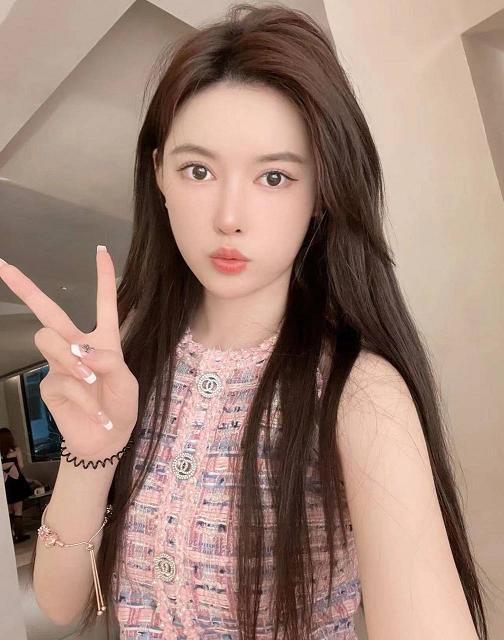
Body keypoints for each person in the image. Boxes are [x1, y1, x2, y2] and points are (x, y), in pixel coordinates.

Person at [0, 3, 490, 639]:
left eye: (274, 176)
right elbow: (62, 605)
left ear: (322, 193)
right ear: (159, 175)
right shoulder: (133, 361)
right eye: (198, 170)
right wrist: (91, 455)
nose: (229, 216)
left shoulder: (357, 394)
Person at [1, 427, 35, 543]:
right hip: (17, 482)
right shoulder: (16, 450)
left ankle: (9, 536)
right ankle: (19, 535)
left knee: (9, 510)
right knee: (18, 510)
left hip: (5, 483)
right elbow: (21, 466)